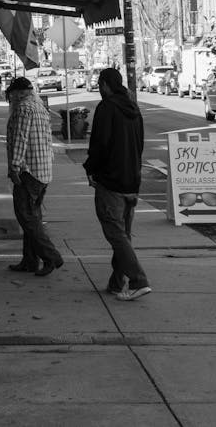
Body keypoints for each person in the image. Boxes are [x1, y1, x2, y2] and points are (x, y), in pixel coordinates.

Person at [83, 67, 151, 301]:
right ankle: (116, 281)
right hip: (132, 179)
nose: (100, 89)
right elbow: (140, 144)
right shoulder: (134, 108)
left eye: (100, 85)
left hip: (111, 180)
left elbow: (100, 144)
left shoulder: (107, 107)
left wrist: (90, 168)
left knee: (115, 233)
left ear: (104, 84)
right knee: (123, 234)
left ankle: (138, 280)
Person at [5, 76, 64, 276]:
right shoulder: (39, 107)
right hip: (43, 170)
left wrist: (14, 167)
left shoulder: (23, 108)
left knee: (26, 217)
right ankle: (30, 260)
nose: (10, 98)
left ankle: (51, 257)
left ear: (20, 93)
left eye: (11, 94)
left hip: (28, 171)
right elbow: (48, 139)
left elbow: (20, 139)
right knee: (32, 216)